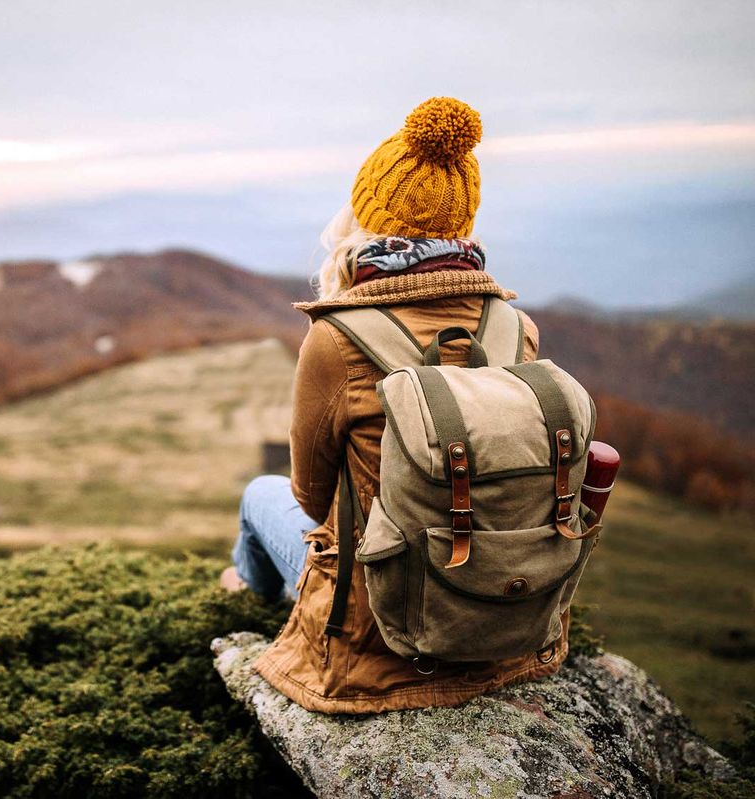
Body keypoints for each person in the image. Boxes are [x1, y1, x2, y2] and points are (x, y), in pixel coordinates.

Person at [222, 97, 555, 713]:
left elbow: (312, 499)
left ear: (367, 219)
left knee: (258, 496)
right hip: (499, 598)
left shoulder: (338, 338)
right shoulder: (515, 328)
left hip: (382, 624)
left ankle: (243, 592)